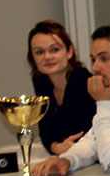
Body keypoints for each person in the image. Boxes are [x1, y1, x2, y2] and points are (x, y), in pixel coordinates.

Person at [31, 26, 110, 176]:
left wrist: (103, 103)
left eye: (104, 59)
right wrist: (66, 160)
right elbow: (92, 141)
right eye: (93, 59)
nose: (95, 67)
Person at [26, 20, 95, 155]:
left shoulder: (83, 80)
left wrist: (61, 145)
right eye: (39, 52)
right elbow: (46, 132)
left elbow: (83, 132)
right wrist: (56, 147)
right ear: (32, 58)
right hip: (67, 156)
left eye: (55, 50)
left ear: (69, 52)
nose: (47, 57)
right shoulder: (41, 82)